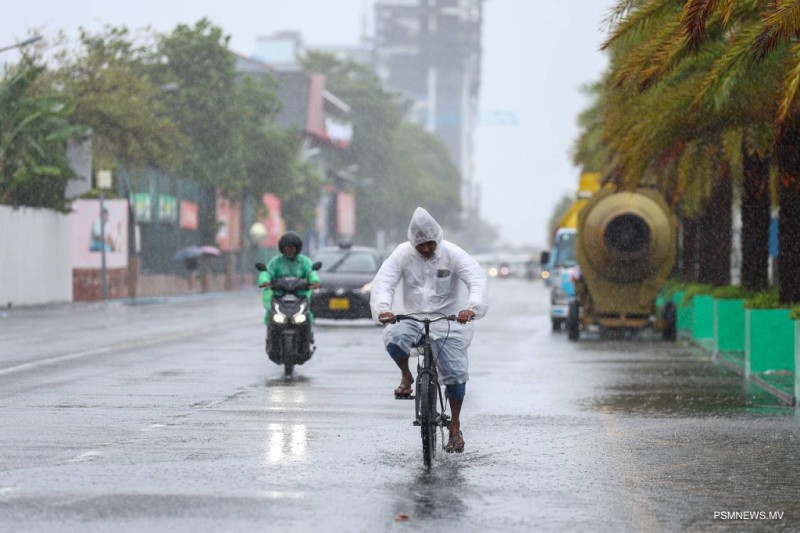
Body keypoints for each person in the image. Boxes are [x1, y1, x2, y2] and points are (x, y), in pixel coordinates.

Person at [370, 207, 489, 453]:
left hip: (448, 320)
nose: (425, 249)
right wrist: (383, 308)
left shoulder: (453, 254)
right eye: (420, 245)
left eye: (430, 244)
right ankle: (406, 375)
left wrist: (471, 307)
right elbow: (384, 282)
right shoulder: (401, 254)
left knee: (456, 375)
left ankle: (454, 426)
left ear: (438, 238)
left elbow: (476, 280)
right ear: (412, 242)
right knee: (394, 340)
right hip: (410, 316)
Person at [258, 231, 321, 347]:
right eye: (287, 248)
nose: (290, 250)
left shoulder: (304, 262)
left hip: (300, 297)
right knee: (271, 315)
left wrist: (315, 281)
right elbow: (266, 273)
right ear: (282, 248)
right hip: (279, 297)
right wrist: (265, 281)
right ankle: (271, 340)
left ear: (297, 248)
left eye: (292, 248)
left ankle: (307, 339)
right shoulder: (276, 262)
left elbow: (312, 273)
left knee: (307, 315)